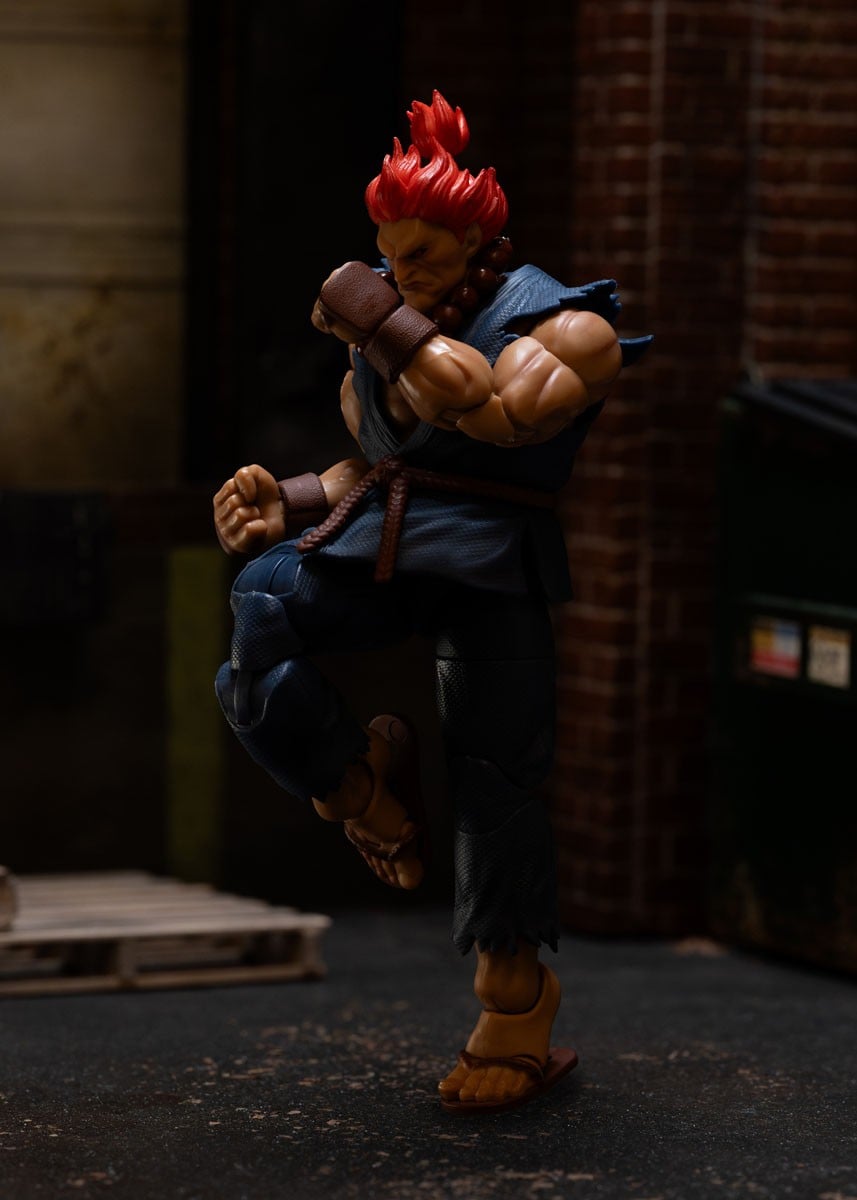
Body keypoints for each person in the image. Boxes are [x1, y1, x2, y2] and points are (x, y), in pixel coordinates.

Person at [213, 91, 651, 1113]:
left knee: (497, 778)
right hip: (391, 545)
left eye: (420, 254)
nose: (399, 272)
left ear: (474, 241)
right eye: (386, 255)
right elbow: (382, 463)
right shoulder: (385, 334)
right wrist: (292, 501)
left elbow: (492, 416)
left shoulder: (565, 325)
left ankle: (515, 1007)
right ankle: (358, 785)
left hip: (494, 563)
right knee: (261, 606)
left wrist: (381, 320)